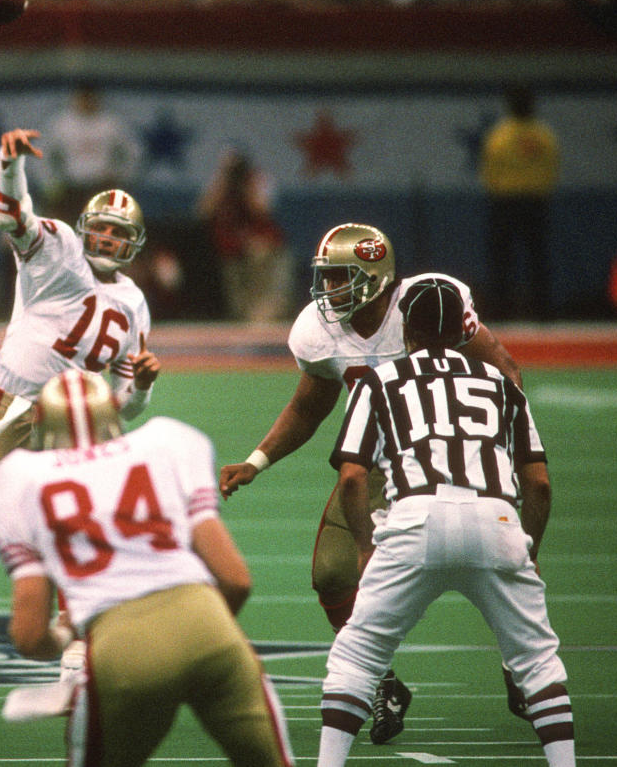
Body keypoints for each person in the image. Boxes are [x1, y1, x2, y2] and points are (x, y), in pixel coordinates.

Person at [218, 222, 528, 744]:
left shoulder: (429, 303)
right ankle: (382, 683)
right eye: (326, 277)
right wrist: (258, 459)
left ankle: (523, 664)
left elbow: (507, 375)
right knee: (333, 573)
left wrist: (496, 452)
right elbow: (311, 403)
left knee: (496, 564)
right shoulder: (319, 331)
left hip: (453, 459)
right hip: (379, 466)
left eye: (340, 277)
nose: (327, 290)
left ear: (375, 277)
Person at [0, 127, 161, 700]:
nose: (107, 239)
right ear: (86, 229)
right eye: (102, 229)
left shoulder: (134, 303)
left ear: (133, 243)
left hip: (77, 423)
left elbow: (127, 406)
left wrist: (146, 387)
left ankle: (79, 650)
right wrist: (8, 165)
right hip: (15, 404)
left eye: (118, 233)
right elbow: (10, 215)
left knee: (73, 531)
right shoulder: (56, 249)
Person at [317, 277, 574, 766]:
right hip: (496, 517)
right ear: (462, 329)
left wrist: (367, 546)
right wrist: (529, 549)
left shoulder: (378, 381)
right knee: (538, 665)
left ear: (405, 332)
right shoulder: (502, 384)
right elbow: (538, 484)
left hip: (413, 519)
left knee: (356, 658)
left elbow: (352, 476)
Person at [0, 369, 295, 767]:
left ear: (40, 422)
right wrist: (198, 634)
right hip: (209, 627)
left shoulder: (19, 480)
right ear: (113, 409)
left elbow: (27, 637)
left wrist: (64, 637)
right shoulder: (165, 443)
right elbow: (236, 579)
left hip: (121, 647)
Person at [479, 83, 559, 320]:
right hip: (528, 202)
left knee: (516, 259)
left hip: (510, 202)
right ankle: (536, 312)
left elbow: (489, 171)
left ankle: (506, 311)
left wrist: (503, 188)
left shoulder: (501, 136)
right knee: (530, 258)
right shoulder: (543, 136)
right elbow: (551, 168)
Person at [195, 148, 295, 322]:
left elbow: (262, 209)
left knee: (265, 304)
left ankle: (264, 317)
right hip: (231, 252)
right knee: (238, 306)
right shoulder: (220, 186)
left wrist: (247, 185)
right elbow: (202, 212)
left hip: (265, 253)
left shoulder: (258, 180)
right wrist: (223, 180)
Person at [42, 84, 142, 226]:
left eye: (90, 99)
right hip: (71, 188)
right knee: (70, 229)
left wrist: (121, 176)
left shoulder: (110, 123)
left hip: (101, 187)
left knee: (101, 230)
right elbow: (44, 155)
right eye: (82, 99)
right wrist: (51, 183)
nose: (86, 103)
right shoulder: (61, 124)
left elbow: (133, 152)